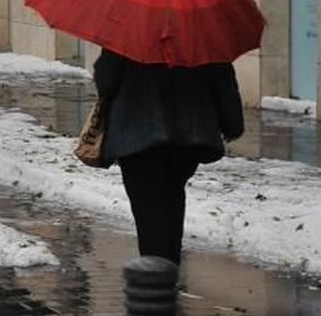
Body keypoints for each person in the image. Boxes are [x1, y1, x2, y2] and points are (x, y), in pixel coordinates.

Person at [93, 49, 245, 265]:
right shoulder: (198, 33)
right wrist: (232, 125)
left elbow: (107, 81)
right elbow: (222, 79)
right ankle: (168, 269)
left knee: (149, 208)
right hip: (187, 137)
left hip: (137, 136)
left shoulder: (130, 33)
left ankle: (156, 277)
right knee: (172, 198)